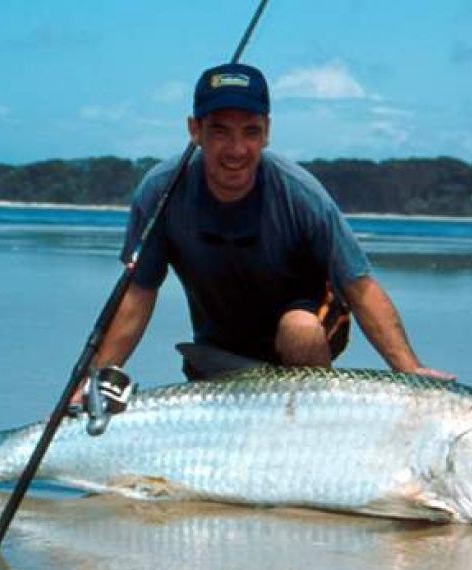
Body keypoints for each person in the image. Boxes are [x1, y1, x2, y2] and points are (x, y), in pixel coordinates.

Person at [78, 62, 452, 396]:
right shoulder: (161, 192)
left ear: (267, 132)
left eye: (251, 132)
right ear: (195, 130)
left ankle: (311, 426)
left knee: (299, 328)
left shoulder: (300, 194)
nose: (236, 149)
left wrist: (410, 372)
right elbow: (139, 293)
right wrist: (95, 381)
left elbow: (360, 286)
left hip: (308, 330)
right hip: (219, 345)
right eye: (220, 131)